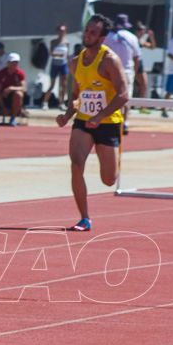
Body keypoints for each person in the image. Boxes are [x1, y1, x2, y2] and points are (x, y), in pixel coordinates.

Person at [55, 14, 129, 232]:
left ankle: (113, 159)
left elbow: (124, 95)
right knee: (76, 166)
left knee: (108, 179)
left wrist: (100, 115)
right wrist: (67, 115)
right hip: (83, 121)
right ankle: (84, 218)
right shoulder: (75, 62)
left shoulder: (110, 61)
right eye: (87, 31)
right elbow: (75, 95)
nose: (87, 35)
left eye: (93, 33)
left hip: (108, 123)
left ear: (102, 38)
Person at [103, 14, 145, 135]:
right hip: (127, 71)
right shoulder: (132, 37)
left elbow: (102, 54)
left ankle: (109, 121)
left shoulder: (108, 37)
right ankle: (125, 121)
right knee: (126, 97)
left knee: (110, 97)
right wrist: (135, 72)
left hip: (110, 72)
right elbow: (137, 58)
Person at [0, 52, 25, 127]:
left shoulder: (20, 73)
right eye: (12, 62)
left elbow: (23, 88)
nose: (14, 64)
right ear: (8, 62)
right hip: (1, 98)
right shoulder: (0, 73)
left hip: (13, 99)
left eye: (16, 62)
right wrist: (3, 107)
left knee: (19, 94)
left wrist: (11, 88)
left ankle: (13, 119)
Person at [42, 23, 70, 110]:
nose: (61, 33)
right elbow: (51, 53)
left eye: (63, 31)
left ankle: (62, 103)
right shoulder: (54, 42)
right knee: (52, 84)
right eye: (60, 31)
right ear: (57, 32)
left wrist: (70, 65)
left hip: (63, 64)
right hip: (55, 65)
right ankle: (45, 102)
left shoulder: (67, 43)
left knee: (64, 85)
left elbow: (68, 55)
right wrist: (59, 55)